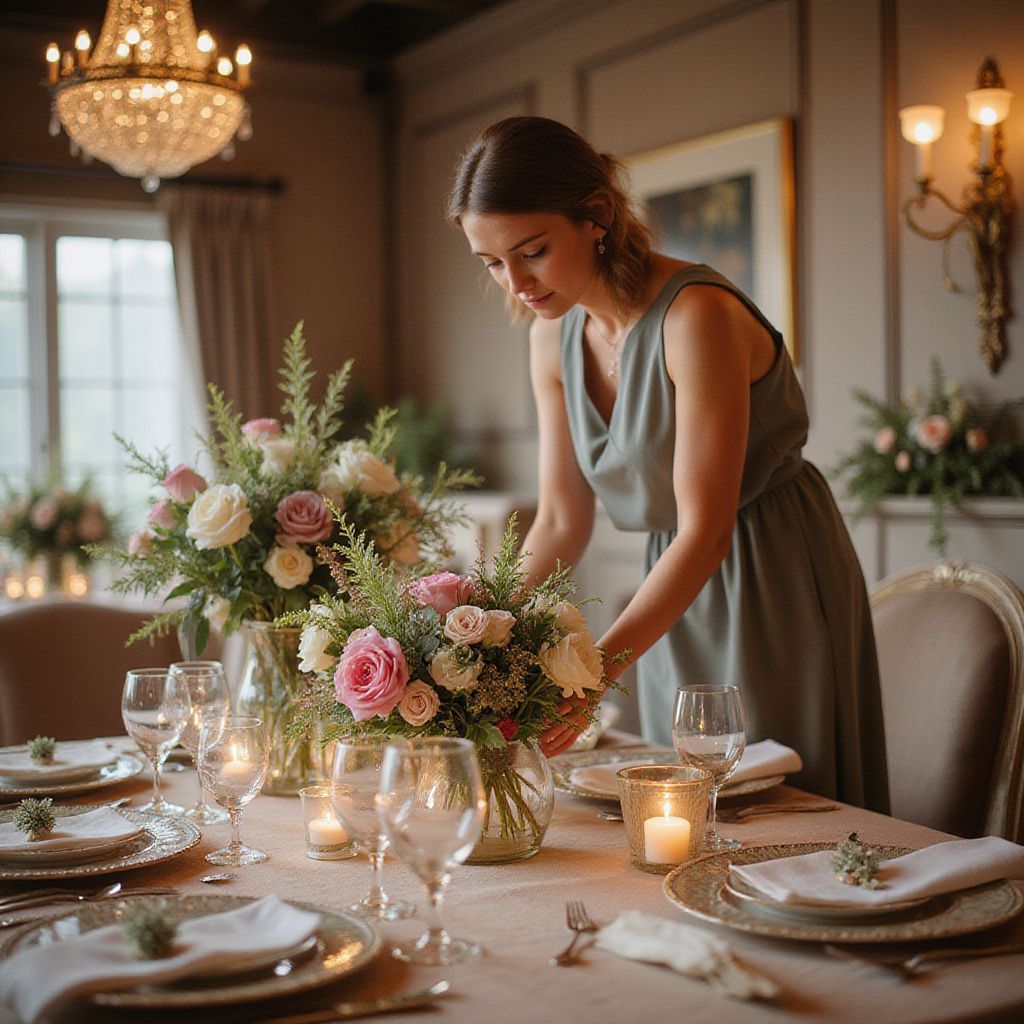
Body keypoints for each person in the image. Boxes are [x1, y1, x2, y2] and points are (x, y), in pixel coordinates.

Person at [446, 115, 888, 811]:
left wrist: (592, 676)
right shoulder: (550, 338)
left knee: (781, 807)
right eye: (493, 263)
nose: (515, 283)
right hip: (671, 591)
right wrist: (475, 634)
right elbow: (560, 520)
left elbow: (706, 529)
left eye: (531, 251)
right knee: (679, 811)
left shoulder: (696, 316)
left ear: (596, 215)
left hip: (771, 574)